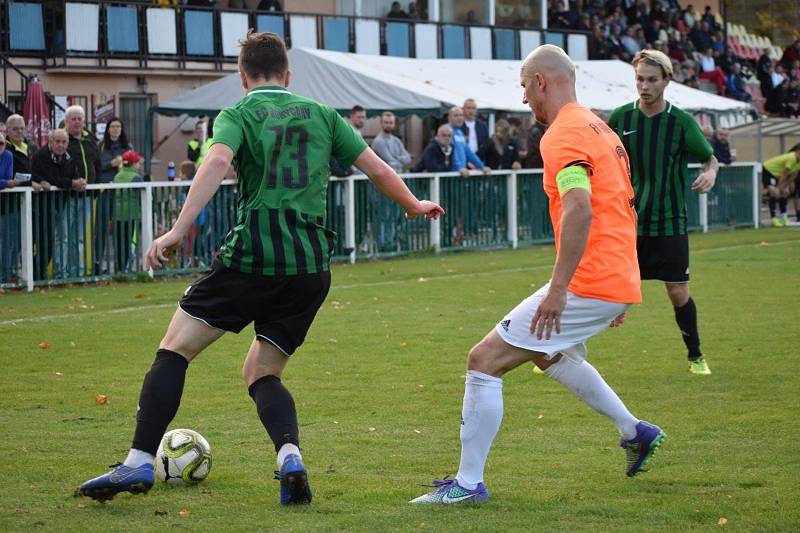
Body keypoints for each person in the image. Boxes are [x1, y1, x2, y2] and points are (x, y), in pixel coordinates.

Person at [78, 30, 444, 505]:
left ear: (242, 75)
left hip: (253, 257)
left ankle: (138, 463)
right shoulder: (323, 114)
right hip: (310, 264)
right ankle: (289, 454)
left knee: (174, 349)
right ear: (288, 74)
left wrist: (175, 230)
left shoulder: (239, 113)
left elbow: (216, 164)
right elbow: (375, 167)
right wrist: (414, 205)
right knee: (263, 372)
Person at [411, 44, 664, 505]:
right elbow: (620, 209)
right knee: (547, 353)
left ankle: (468, 485)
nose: (524, 97)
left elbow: (581, 208)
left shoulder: (563, 134)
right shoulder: (599, 127)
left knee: (484, 360)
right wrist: (619, 287)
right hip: (611, 276)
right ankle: (635, 431)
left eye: (525, 85)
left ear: (541, 82)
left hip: (591, 279)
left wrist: (562, 290)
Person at [608, 49, 719, 375]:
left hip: (670, 222)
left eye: (652, 79)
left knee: (677, 291)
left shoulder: (681, 122)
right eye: (640, 79)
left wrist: (711, 173)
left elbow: (709, 158)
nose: (644, 86)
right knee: (605, 291)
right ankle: (558, 351)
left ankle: (695, 356)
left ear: (667, 80)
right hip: (630, 221)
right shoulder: (620, 118)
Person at [31, 129, 88, 279]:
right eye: (58, 142)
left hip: (59, 204)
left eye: (64, 142)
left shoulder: (69, 156)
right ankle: (33, 275)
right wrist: (72, 183)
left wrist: (79, 181)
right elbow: (52, 177)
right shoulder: (41, 155)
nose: (61, 145)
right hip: (41, 206)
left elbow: (71, 175)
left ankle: (39, 274)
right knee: (41, 240)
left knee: (50, 242)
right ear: (50, 142)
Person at [97, 117, 134, 273]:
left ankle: (122, 266)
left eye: (118, 126)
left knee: (122, 230)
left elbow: (134, 165)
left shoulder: (128, 146)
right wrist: (110, 164)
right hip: (105, 191)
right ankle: (98, 265)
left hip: (123, 194)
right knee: (101, 229)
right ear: (108, 129)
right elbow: (96, 166)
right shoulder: (101, 146)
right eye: (113, 126)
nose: (116, 129)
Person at [112, 150, 143, 272]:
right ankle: (127, 268)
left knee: (120, 242)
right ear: (133, 164)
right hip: (132, 215)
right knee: (131, 242)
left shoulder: (117, 176)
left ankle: (119, 268)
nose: (139, 165)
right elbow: (141, 198)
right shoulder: (136, 178)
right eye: (138, 163)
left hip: (118, 215)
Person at [762, 144, 800, 226]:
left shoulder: (799, 161)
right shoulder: (792, 158)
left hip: (778, 174)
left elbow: (794, 174)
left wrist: (786, 186)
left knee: (785, 192)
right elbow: (784, 174)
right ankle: (773, 218)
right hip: (769, 171)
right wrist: (779, 187)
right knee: (775, 192)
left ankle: (784, 217)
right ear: (797, 151)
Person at [447, 106, 489, 176]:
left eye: (461, 115)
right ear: (449, 118)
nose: (459, 118)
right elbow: (450, 153)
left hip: (460, 174)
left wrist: (481, 166)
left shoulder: (460, 133)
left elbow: (469, 153)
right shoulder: (446, 131)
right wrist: (459, 168)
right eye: (456, 115)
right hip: (450, 174)